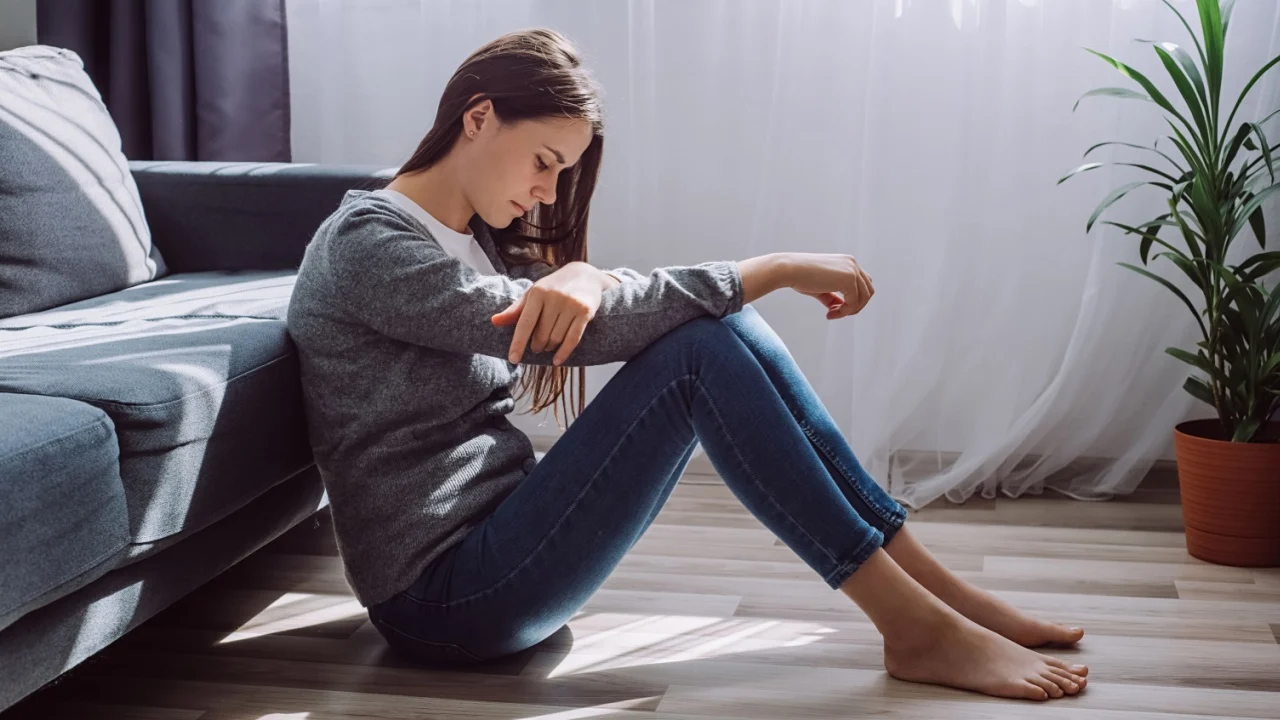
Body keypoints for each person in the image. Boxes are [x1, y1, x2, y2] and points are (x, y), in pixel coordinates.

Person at [286, 28, 1088, 702]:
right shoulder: (370, 248)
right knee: (703, 345)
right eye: (543, 160)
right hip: (443, 599)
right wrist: (769, 266)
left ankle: (934, 594)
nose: (545, 192)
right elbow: (561, 331)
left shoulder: (469, 234)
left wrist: (590, 276)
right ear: (479, 117)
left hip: (503, 547)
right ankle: (914, 628)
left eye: (561, 171)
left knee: (718, 324)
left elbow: (608, 305)